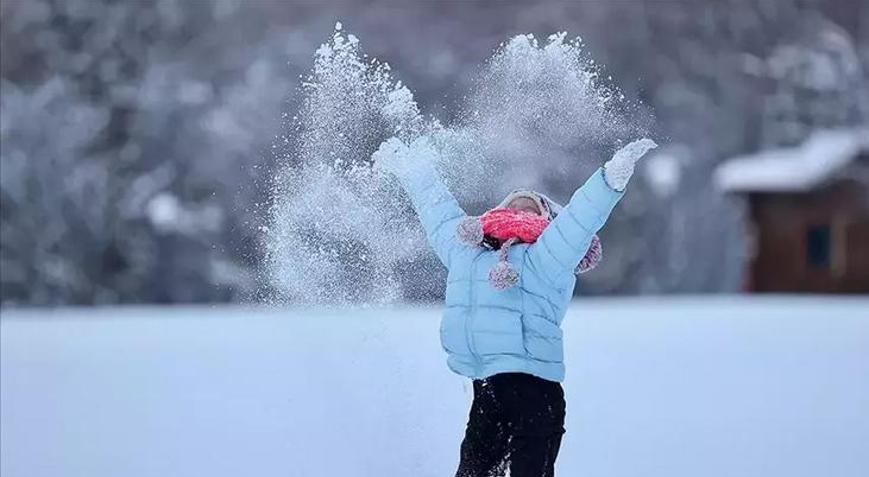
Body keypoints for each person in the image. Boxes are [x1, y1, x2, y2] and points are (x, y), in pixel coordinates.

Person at [372, 136, 657, 477]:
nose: (521, 210)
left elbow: (580, 219)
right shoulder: (467, 252)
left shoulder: (548, 255)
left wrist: (609, 179)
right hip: (487, 389)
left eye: (532, 208)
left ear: (549, 220)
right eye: (514, 206)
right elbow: (439, 212)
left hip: (536, 392)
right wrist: (414, 169)